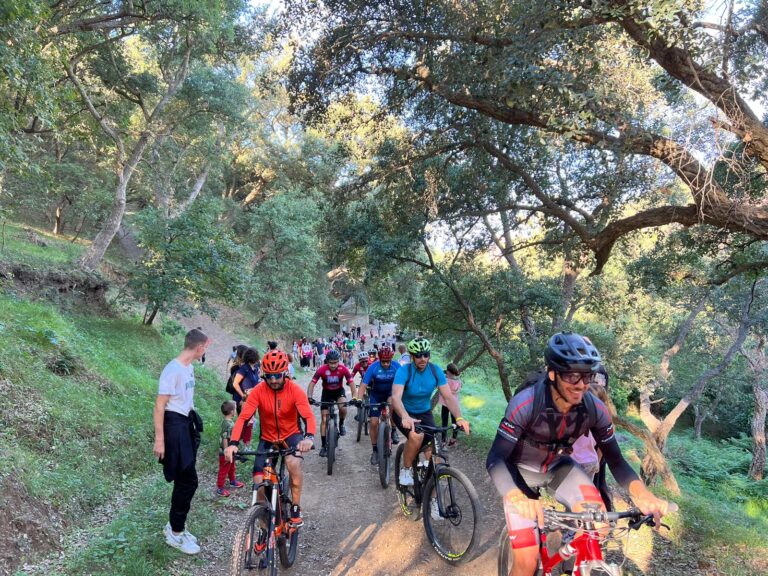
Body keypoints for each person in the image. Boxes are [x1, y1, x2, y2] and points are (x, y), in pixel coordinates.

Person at [486, 332, 672, 576]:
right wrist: (515, 496)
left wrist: (642, 495)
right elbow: (495, 458)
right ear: (552, 373)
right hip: (517, 473)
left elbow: (615, 460)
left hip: (557, 468)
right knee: (527, 562)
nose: (582, 384)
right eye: (572, 375)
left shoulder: (594, 409)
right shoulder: (526, 403)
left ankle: (572, 560)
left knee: (600, 524)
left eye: (588, 375)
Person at [224, 350, 316, 527]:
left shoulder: (295, 390)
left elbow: (308, 417)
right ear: (263, 374)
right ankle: (264, 529)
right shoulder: (258, 390)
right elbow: (243, 418)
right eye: (269, 376)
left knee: (293, 463)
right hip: (267, 438)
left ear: (285, 373)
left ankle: (296, 507)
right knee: (259, 484)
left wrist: (309, 437)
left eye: (277, 375)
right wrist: (233, 444)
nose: (273, 380)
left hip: (291, 435)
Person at [153, 328, 209, 555]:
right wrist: (160, 440)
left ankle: (176, 526)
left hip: (185, 425)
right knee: (187, 480)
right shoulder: (173, 370)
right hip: (173, 428)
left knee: (187, 479)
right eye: (205, 347)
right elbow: (159, 406)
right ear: (199, 347)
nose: (205, 350)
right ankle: (175, 533)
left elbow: (186, 400)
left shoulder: (189, 368)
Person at [391, 337, 469, 486]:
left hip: (424, 413)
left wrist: (459, 418)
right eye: (418, 355)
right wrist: (405, 416)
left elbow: (448, 397)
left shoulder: (435, 370)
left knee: (435, 458)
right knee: (416, 436)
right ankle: (406, 469)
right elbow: (395, 397)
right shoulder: (404, 371)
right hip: (403, 411)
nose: (423, 358)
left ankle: (433, 501)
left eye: (426, 354)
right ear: (412, 356)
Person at [356, 346, 402, 464]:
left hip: (390, 393)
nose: (386, 364)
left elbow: (404, 382)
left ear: (391, 359)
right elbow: (363, 385)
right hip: (376, 394)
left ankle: (394, 429)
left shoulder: (397, 366)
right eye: (383, 361)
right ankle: (375, 450)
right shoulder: (373, 367)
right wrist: (359, 399)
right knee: (374, 422)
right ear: (379, 359)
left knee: (393, 405)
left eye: (388, 361)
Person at [307, 350, 356, 456]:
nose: (333, 365)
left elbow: (351, 383)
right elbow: (312, 383)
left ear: (339, 361)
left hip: (339, 392)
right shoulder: (322, 369)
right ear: (327, 362)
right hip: (327, 393)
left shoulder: (343, 369)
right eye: (331, 362)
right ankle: (324, 445)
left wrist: (355, 397)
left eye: (335, 362)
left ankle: (341, 424)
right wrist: (309, 397)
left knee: (343, 408)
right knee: (324, 418)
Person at [232, 347, 260, 448]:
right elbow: (235, 383)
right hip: (244, 400)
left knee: (250, 422)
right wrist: (243, 395)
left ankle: (242, 442)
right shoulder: (244, 369)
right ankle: (243, 444)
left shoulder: (255, 368)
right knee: (247, 422)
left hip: (253, 399)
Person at [217, 401, 246, 497]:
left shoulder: (227, 422)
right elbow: (225, 437)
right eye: (235, 408)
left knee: (232, 466)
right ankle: (220, 488)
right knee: (224, 469)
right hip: (226, 452)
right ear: (232, 412)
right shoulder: (228, 424)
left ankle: (233, 481)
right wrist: (226, 451)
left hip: (231, 450)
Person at [439, 363, 463, 446]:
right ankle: (453, 439)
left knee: (444, 422)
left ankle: (443, 440)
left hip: (445, 404)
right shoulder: (459, 381)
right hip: (454, 404)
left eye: (447, 372)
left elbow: (442, 391)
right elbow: (457, 391)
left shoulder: (445, 380)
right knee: (455, 422)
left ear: (448, 372)